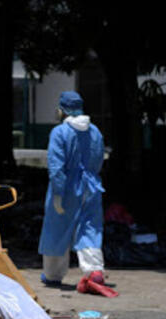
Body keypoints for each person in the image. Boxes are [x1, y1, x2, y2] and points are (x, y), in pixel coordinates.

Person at [38, 91, 106, 285]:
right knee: (90, 227)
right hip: (92, 186)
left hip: (67, 187)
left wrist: (58, 193)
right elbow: (99, 158)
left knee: (57, 228)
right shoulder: (95, 131)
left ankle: (52, 275)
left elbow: (56, 166)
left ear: (63, 110)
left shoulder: (60, 132)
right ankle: (94, 270)